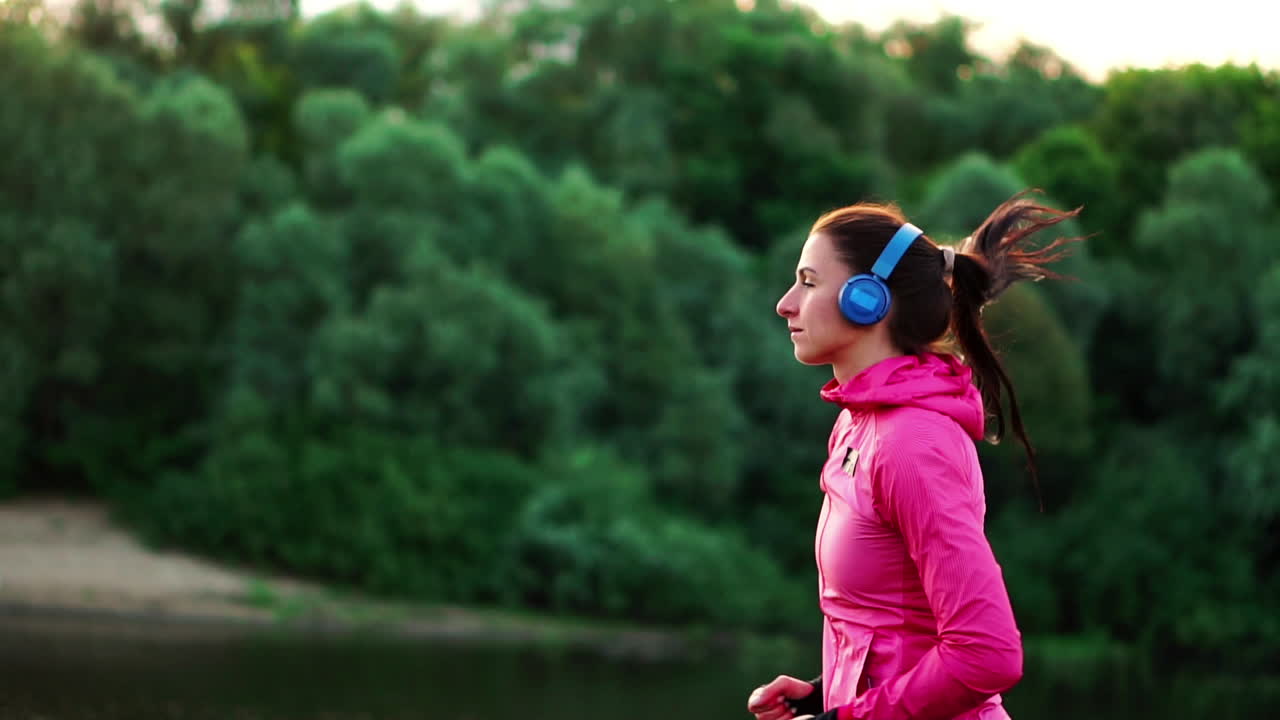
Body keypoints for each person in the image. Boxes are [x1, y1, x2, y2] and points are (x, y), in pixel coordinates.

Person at [747, 193, 1081, 720]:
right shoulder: (857, 427)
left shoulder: (911, 445)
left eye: (809, 282)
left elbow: (986, 654)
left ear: (867, 299)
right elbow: (898, 629)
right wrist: (825, 694)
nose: (785, 303)